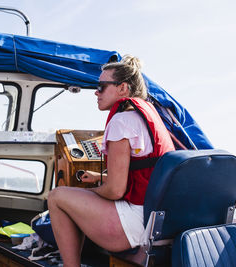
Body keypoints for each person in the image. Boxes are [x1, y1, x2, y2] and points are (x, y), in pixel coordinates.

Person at [47, 55, 175, 266]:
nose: (96, 93)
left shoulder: (121, 121)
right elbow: (142, 172)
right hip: (160, 220)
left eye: (101, 87)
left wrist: (92, 191)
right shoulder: (149, 116)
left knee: (57, 197)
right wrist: (101, 177)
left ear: (123, 88)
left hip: (137, 222)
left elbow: (115, 191)